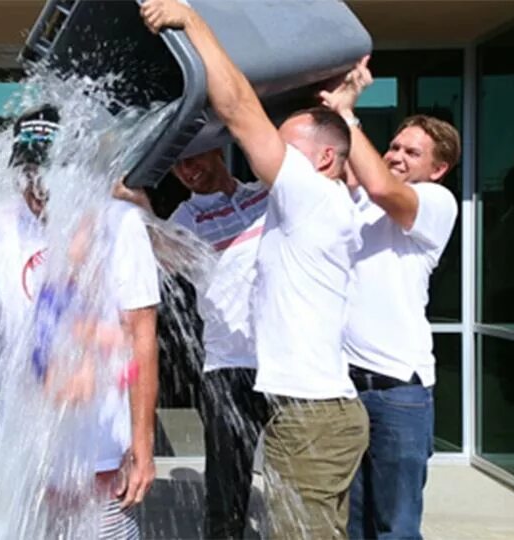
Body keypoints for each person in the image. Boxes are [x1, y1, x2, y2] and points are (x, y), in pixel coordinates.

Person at [141, 2, 369, 538]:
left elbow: (242, 109)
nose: (273, 158)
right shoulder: (312, 205)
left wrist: (190, 20)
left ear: (321, 163)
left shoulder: (306, 199)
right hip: (301, 402)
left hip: (310, 414)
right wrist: (348, 103)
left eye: (288, 151)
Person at [0, 104, 161, 539]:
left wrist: (143, 442)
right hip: (21, 445)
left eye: (49, 170)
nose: (37, 184)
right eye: (28, 171)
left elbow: (141, 335)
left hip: (99, 445)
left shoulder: (119, 224)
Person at [320, 58, 461, 539]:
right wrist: (342, 91)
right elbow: (351, 173)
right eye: (395, 146)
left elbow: (378, 184)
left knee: (396, 528)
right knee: (353, 525)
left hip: (400, 393)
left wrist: (349, 113)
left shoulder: (436, 205)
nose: (397, 155)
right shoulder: (359, 201)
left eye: (412, 153)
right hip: (347, 390)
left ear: (437, 169)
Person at [116, 146, 269, 538]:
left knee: (297, 474)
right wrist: (141, 211)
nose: (187, 170)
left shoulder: (263, 195)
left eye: (195, 158)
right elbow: (172, 257)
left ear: (218, 150)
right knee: (227, 484)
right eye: (179, 165)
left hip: (285, 359)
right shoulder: (187, 216)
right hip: (227, 364)